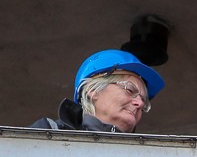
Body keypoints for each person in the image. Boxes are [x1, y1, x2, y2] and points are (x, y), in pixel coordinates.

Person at [30, 50, 164, 133]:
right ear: (93, 91)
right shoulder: (47, 134)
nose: (140, 103)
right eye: (130, 90)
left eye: (144, 101)